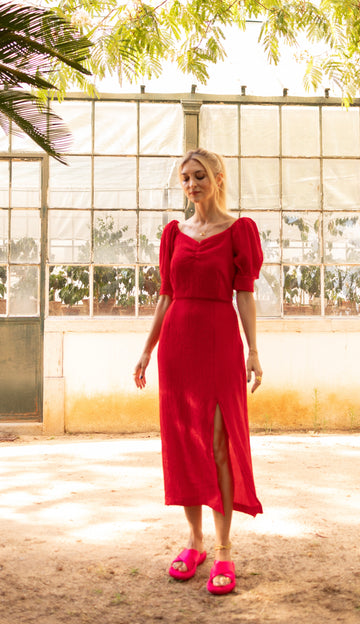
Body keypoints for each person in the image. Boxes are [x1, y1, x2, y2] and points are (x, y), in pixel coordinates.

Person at [133, 147, 263, 595]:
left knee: (217, 444)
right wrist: (148, 350)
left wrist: (253, 350)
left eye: (200, 176)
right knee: (184, 443)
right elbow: (166, 296)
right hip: (177, 345)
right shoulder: (174, 233)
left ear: (219, 178)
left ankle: (224, 550)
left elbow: (244, 294)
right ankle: (195, 540)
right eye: (186, 178)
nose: (192, 184)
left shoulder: (239, 231)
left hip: (220, 341)